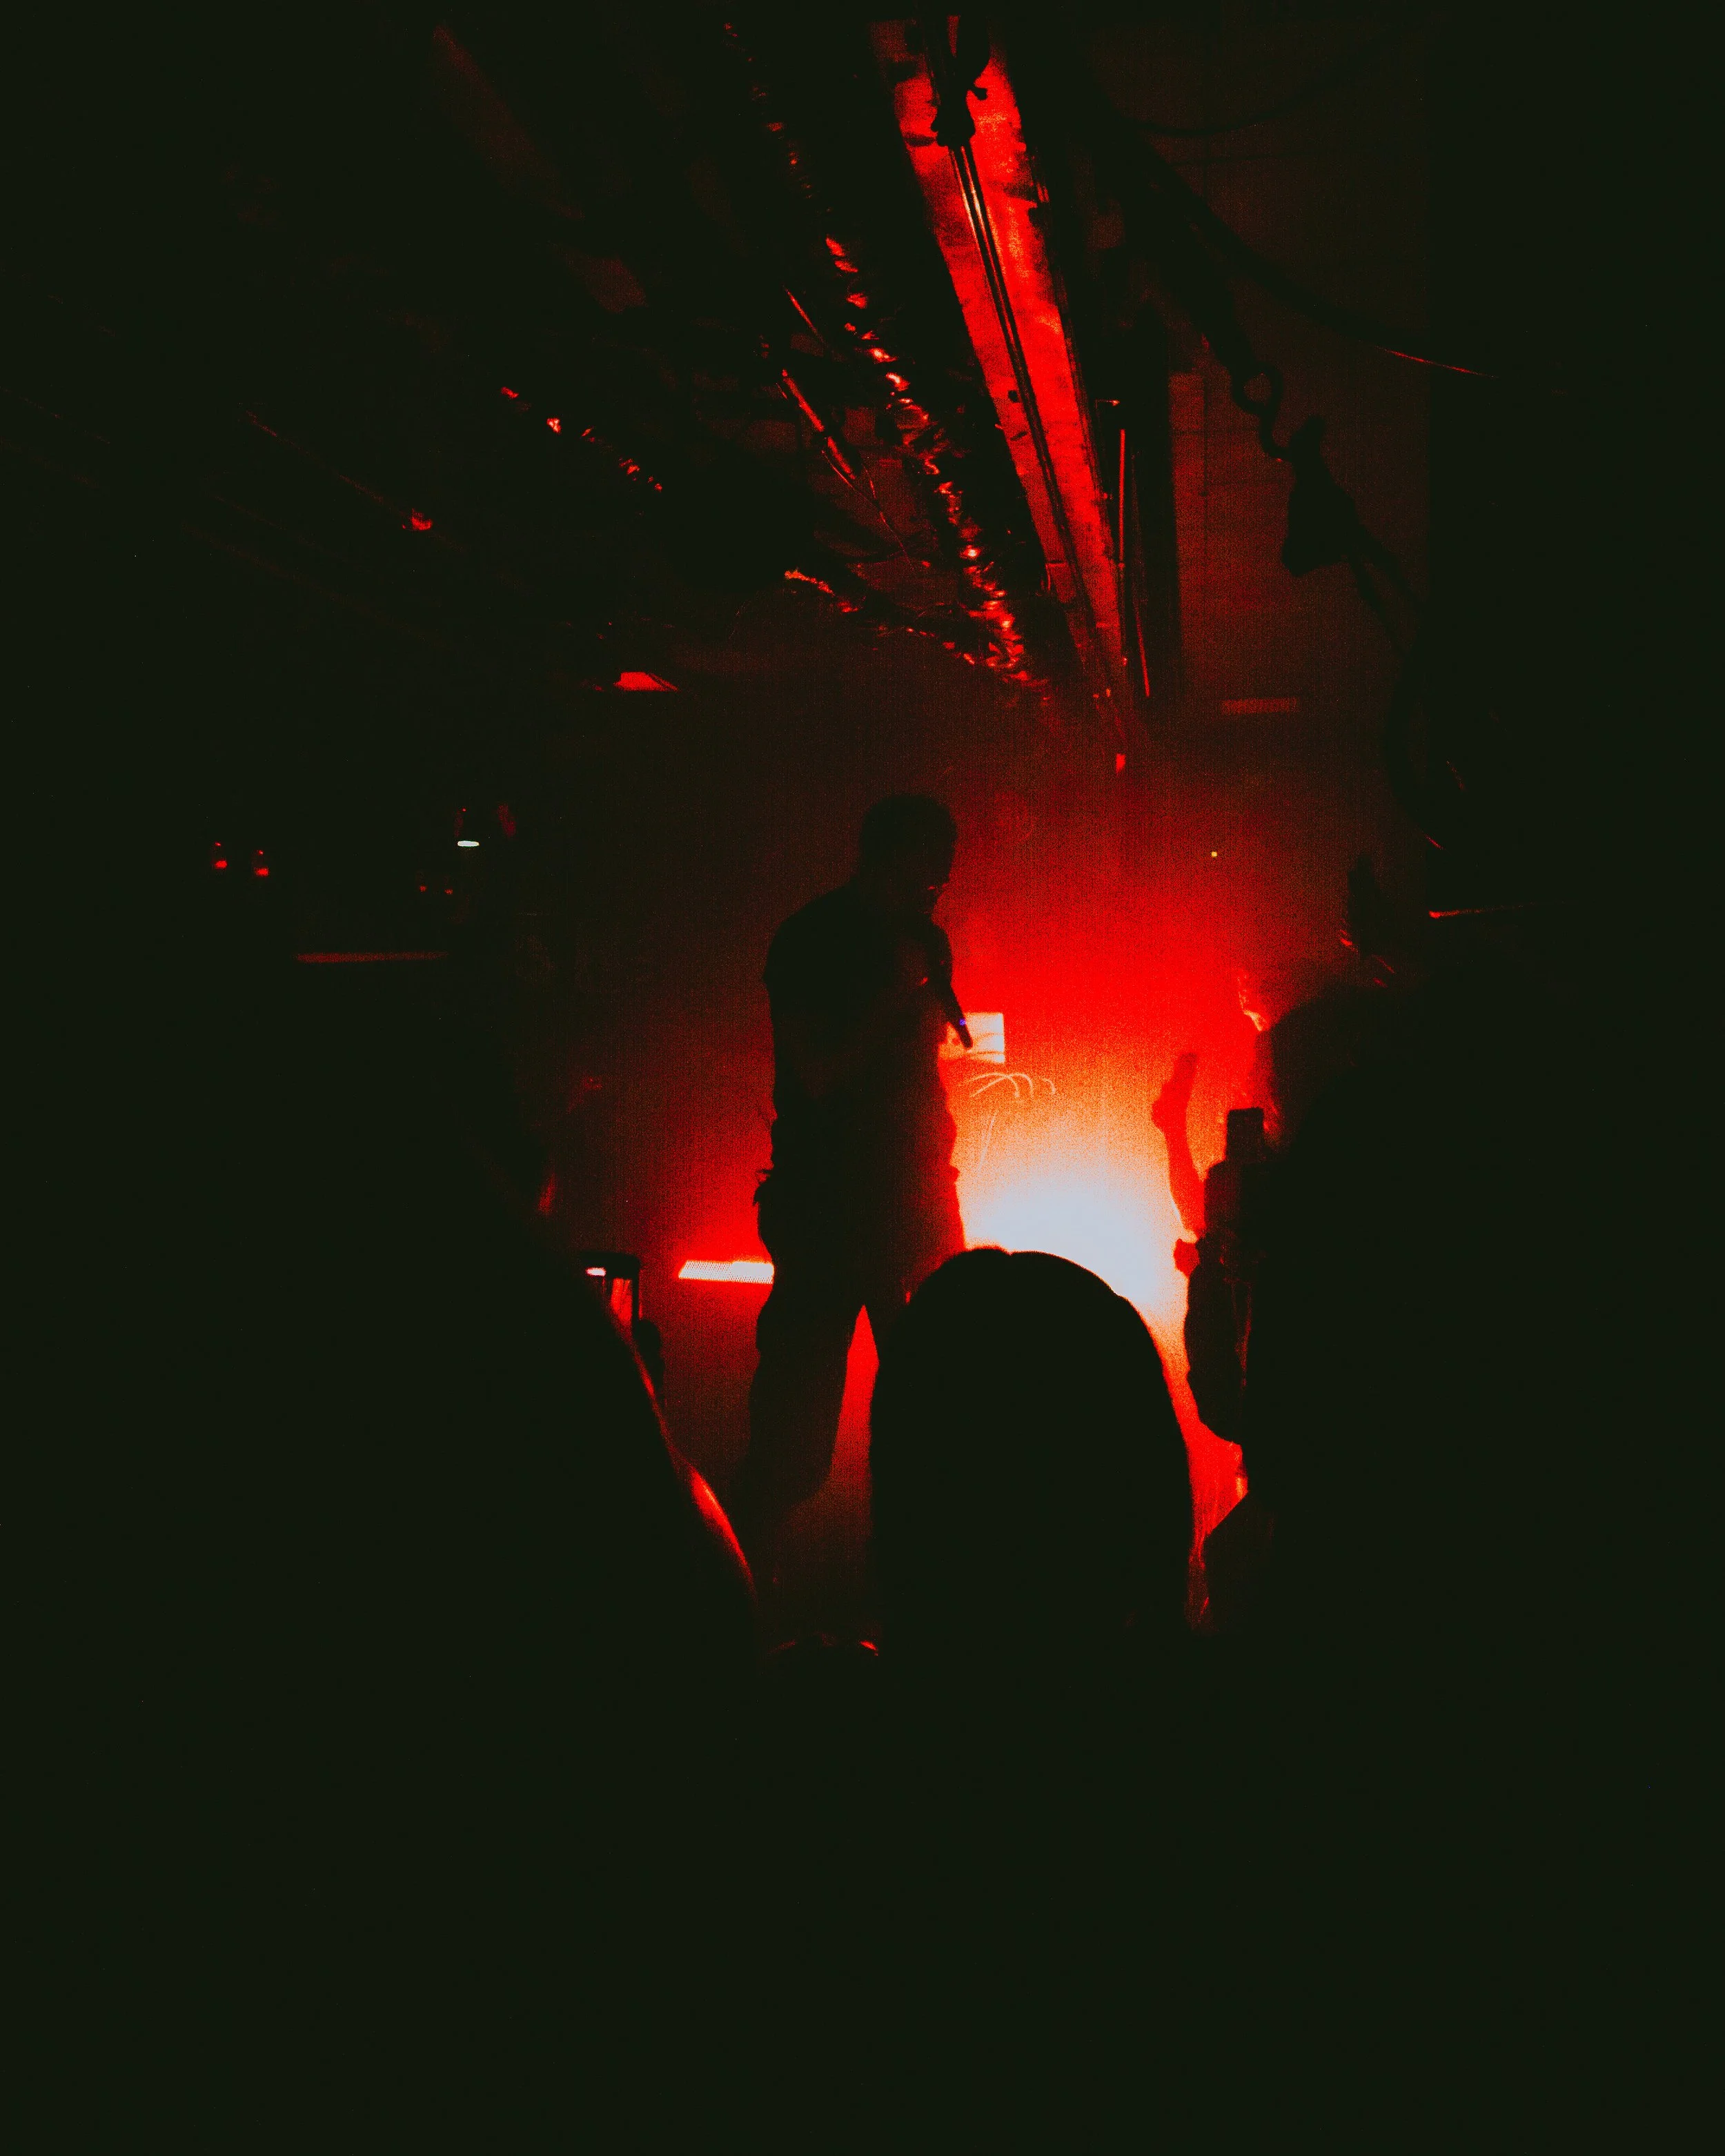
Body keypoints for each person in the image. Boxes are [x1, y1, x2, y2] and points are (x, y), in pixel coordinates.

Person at [728, 795, 969, 1571]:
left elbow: (921, 1062)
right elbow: (820, 1073)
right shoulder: (811, 939)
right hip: (831, 1204)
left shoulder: (921, 939)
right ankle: (744, 1581)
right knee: (795, 1426)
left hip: (915, 1199)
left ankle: (916, 1577)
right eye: (926, 874)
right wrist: (897, 995)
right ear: (887, 858)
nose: (935, 888)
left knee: (936, 1409)